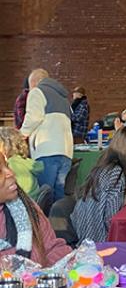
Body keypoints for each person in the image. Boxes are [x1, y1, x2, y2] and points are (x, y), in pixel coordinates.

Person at [71, 127, 126, 243]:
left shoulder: (109, 167)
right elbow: (112, 219)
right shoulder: (116, 173)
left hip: (89, 233)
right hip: (97, 240)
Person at [0, 152, 71, 266]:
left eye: (7, 166)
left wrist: (75, 262)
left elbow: (51, 249)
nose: (11, 173)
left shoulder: (26, 205)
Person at [20, 69, 73, 202]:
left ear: (34, 82)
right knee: (59, 197)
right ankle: (58, 222)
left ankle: (44, 223)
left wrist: (21, 135)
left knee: (44, 196)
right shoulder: (63, 98)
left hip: (47, 150)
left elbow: (33, 118)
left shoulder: (37, 92)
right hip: (66, 151)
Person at [0, 127, 43, 201]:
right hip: (33, 201)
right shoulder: (24, 161)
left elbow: (18, 192)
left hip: (26, 202)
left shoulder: (13, 164)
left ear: (5, 145)